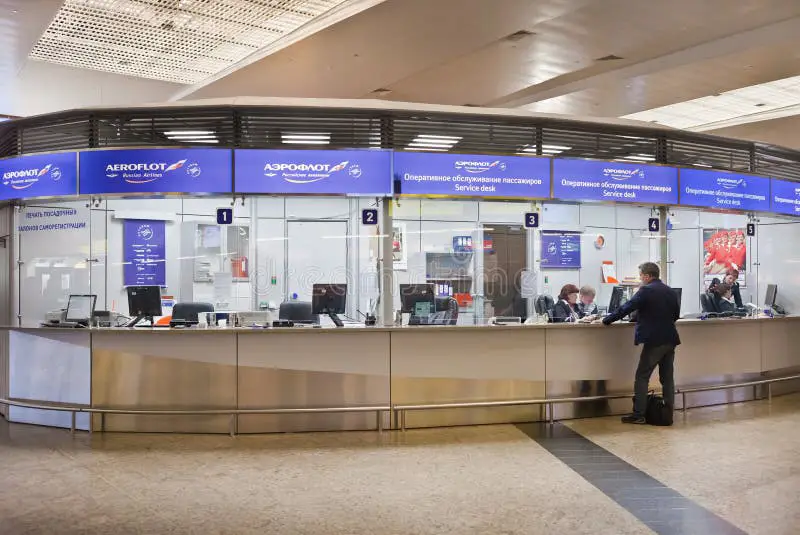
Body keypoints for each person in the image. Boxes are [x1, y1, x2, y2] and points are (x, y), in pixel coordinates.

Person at [602, 262, 680, 424]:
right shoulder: (670, 291)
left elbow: (627, 307)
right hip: (670, 339)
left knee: (642, 376)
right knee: (667, 378)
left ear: (646, 275)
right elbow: (675, 314)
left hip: (654, 340)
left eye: (641, 276)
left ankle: (638, 414)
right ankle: (667, 414)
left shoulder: (646, 290)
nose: (640, 279)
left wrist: (607, 320)